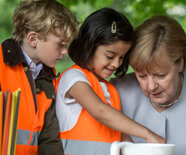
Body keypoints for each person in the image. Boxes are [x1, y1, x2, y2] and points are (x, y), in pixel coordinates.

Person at [55, 8, 165, 155]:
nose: (116, 64)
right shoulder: (74, 78)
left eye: (121, 57)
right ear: (89, 46)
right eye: (110, 56)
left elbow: (120, 135)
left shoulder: (108, 89)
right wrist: (148, 133)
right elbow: (101, 112)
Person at [111, 15, 186, 155]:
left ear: (181, 63)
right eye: (142, 75)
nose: (151, 86)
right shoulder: (118, 90)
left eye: (160, 75)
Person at [0, 0, 78, 154]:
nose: (65, 52)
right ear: (33, 39)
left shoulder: (47, 78)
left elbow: (48, 138)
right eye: (60, 44)